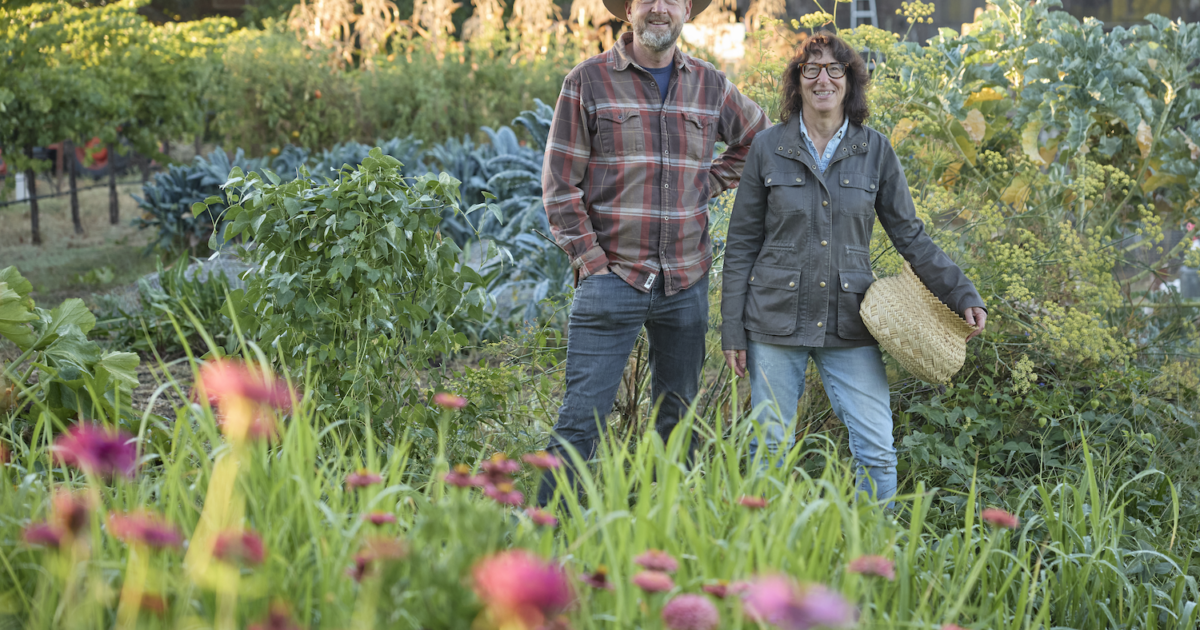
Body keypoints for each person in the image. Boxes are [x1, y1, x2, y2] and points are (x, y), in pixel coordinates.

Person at [719, 31, 987, 508]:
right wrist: (732, 331)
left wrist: (961, 294)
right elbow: (741, 243)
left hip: (850, 322)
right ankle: (766, 560)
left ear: (850, 81)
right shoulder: (767, 148)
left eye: (834, 70)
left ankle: (872, 554)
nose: (823, 79)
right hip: (773, 320)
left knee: (877, 451)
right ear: (797, 82)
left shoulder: (876, 151)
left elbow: (911, 236)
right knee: (768, 450)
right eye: (811, 70)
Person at [537, 0, 768, 504]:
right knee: (581, 421)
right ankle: (545, 538)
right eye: (646, 0)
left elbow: (757, 138)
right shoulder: (587, 81)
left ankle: (658, 530)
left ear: (687, 11)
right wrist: (593, 266)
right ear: (628, 12)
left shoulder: (710, 85)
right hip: (612, 279)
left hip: (685, 284)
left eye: (671, 0)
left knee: (677, 422)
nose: (658, 8)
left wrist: (704, 184)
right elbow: (559, 187)